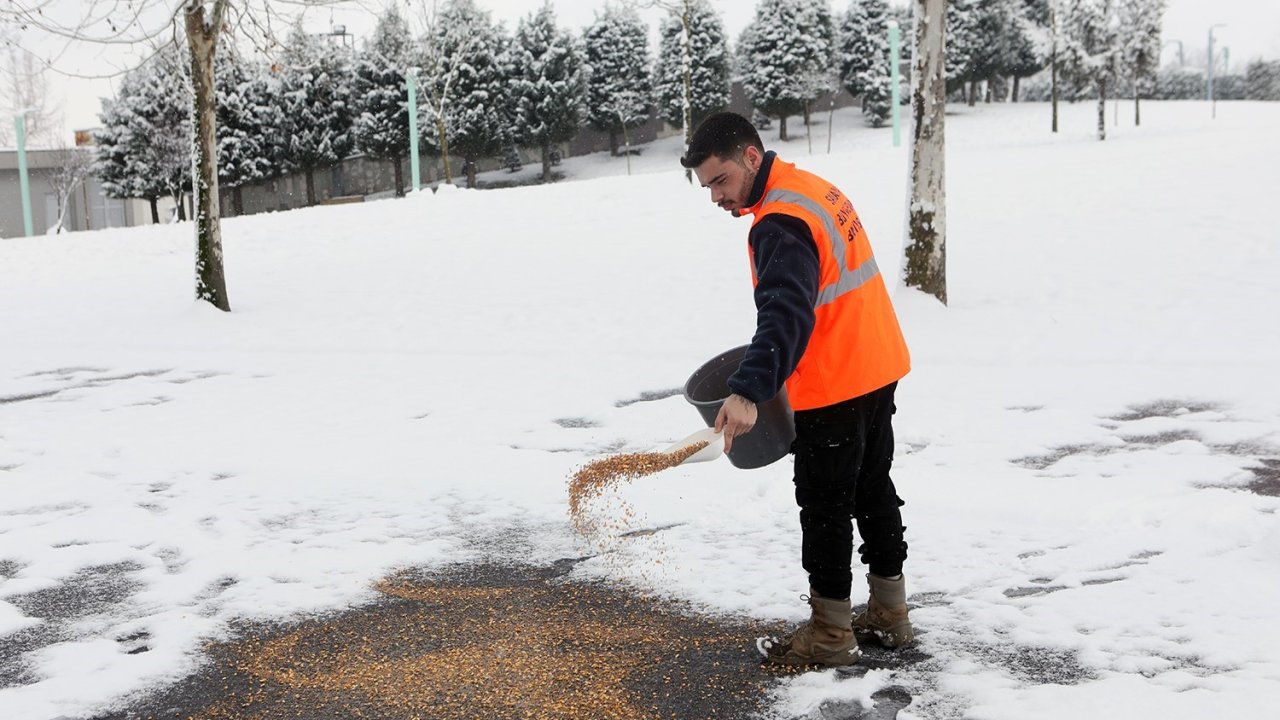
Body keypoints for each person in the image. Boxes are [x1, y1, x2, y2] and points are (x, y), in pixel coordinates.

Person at [679, 112, 914, 667]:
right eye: (707, 185)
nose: (715, 196)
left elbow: (785, 313)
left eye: (720, 181)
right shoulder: (813, 190)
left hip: (834, 382)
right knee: (872, 489)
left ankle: (831, 636)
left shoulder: (779, 220)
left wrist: (748, 390)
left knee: (825, 505)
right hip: (875, 363)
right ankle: (889, 613)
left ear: (751, 158)